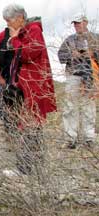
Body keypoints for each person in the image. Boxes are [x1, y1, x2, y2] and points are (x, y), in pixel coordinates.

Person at [0, 4, 56, 175]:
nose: (8, 25)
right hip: (25, 85)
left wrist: (15, 39)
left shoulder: (33, 30)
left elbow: (28, 54)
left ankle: (25, 169)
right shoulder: (23, 32)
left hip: (33, 86)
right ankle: (35, 168)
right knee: (29, 125)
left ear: (20, 18)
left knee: (28, 125)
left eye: (9, 21)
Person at [58, 13, 99, 149]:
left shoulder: (95, 38)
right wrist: (71, 55)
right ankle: (71, 139)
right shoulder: (69, 40)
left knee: (89, 106)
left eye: (79, 23)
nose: (77, 25)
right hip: (73, 75)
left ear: (86, 22)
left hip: (90, 75)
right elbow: (61, 55)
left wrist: (93, 54)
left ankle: (89, 138)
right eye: (75, 23)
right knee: (70, 107)